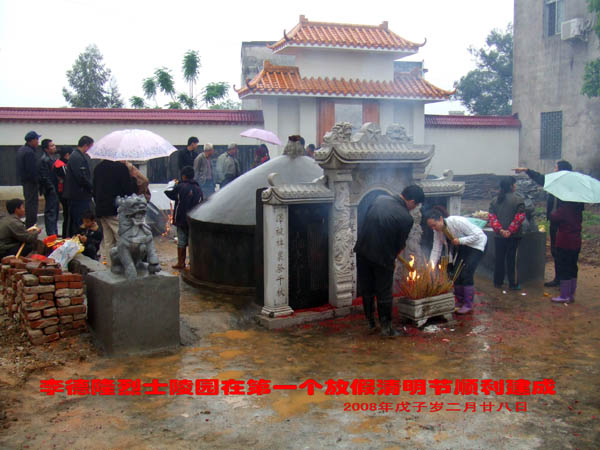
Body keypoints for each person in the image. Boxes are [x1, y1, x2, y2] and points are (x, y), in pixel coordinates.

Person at [354, 185, 425, 337]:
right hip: (383, 258)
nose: (414, 208)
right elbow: (400, 245)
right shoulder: (406, 218)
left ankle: (370, 322)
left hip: (362, 251)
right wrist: (392, 257)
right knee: (384, 292)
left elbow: (365, 221)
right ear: (412, 201)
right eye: (416, 205)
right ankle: (386, 328)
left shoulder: (379, 199)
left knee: (367, 289)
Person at [514, 160, 573, 287]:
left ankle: (565, 281)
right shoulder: (555, 182)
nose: (554, 170)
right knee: (556, 250)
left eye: (556, 168)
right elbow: (541, 178)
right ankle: (559, 278)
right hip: (555, 223)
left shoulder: (568, 187)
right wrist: (526, 170)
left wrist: (556, 216)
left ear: (561, 170)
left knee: (563, 252)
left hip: (563, 224)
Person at [425, 206, 487, 314]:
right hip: (463, 246)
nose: (433, 228)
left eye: (434, 225)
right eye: (431, 227)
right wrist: (431, 265)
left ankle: (468, 304)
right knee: (455, 273)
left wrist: (461, 240)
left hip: (477, 245)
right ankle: (460, 301)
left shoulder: (457, 221)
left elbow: (478, 235)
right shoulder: (437, 232)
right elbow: (436, 248)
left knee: (466, 273)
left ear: (440, 219)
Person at [93, 159, 136, 261]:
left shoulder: (98, 167)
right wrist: (133, 178)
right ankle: (124, 264)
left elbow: (94, 188)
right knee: (122, 238)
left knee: (108, 240)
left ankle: (110, 265)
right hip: (116, 210)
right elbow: (129, 190)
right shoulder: (121, 168)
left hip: (101, 208)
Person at [488, 176, 526, 290]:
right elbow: (519, 217)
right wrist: (510, 231)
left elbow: (492, 218)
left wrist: (500, 230)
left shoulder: (494, 200)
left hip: (499, 236)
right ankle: (513, 283)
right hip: (514, 236)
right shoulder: (518, 200)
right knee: (512, 260)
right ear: (511, 186)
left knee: (499, 259)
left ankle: (498, 282)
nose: (516, 186)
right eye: (514, 184)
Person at [164, 166, 203, 270]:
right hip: (194, 219)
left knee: (181, 241)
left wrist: (173, 183)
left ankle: (181, 262)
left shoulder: (180, 187)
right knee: (192, 241)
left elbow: (169, 193)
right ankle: (192, 263)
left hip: (181, 219)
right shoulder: (198, 188)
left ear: (183, 176)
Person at [550, 201, 583, 303]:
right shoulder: (578, 207)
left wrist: (555, 208)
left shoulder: (564, 208)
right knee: (573, 267)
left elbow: (553, 217)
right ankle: (571, 295)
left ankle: (564, 296)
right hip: (576, 241)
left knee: (564, 268)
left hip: (565, 242)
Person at [64, 136, 94, 234]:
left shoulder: (79, 156)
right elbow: (81, 177)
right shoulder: (77, 157)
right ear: (85, 145)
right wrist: (91, 187)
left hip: (80, 194)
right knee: (79, 220)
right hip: (78, 195)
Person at [16, 131, 42, 228]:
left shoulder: (21, 150)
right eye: (37, 139)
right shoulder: (29, 152)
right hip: (31, 183)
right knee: (32, 206)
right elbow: (32, 170)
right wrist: (38, 181)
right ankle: (31, 227)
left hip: (25, 181)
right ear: (32, 140)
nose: (38, 142)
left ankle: (29, 225)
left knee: (29, 203)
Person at [38, 139, 60, 237]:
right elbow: (44, 176)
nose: (54, 147)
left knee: (55, 210)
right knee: (51, 211)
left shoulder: (52, 158)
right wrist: (51, 188)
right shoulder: (44, 160)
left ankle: (54, 232)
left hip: (54, 187)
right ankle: (52, 233)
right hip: (50, 189)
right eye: (51, 146)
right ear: (46, 149)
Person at [53, 147, 73, 237]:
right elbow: (67, 178)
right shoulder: (61, 165)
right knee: (68, 214)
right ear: (67, 155)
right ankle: (67, 234)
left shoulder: (57, 163)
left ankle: (67, 234)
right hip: (63, 192)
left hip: (61, 191)